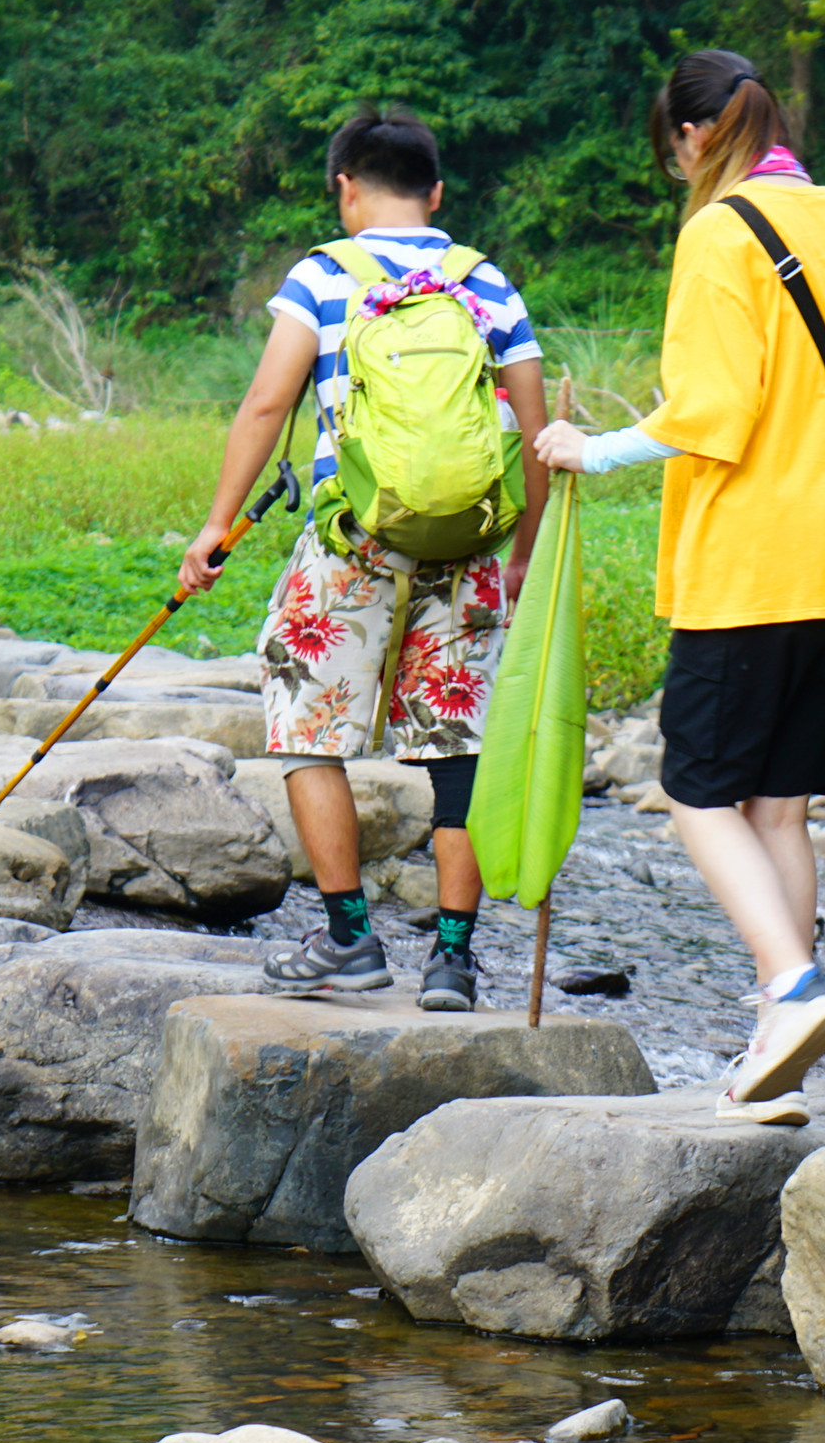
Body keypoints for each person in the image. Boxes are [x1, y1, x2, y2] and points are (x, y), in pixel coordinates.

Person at [532, 50, 825, 1114]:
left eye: (672, 153)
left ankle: (791, 989)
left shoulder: (716, 232)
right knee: (777, 809)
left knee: (697, 792)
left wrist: (587, 450)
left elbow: (713, 412)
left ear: (693, 138)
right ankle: (779, 1053)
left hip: (750, 563)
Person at [176, 105, 549, 1012]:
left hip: (353, 542)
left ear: (345, 185)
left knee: (307, 724)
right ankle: (453, 962)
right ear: (436, 192)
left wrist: (217, 527)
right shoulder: (487, 283)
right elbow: (535, 431)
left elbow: (268, 406)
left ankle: (349, 938)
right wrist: (523, 561)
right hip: (468, 550)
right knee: (456, 748)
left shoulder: (323, 276)